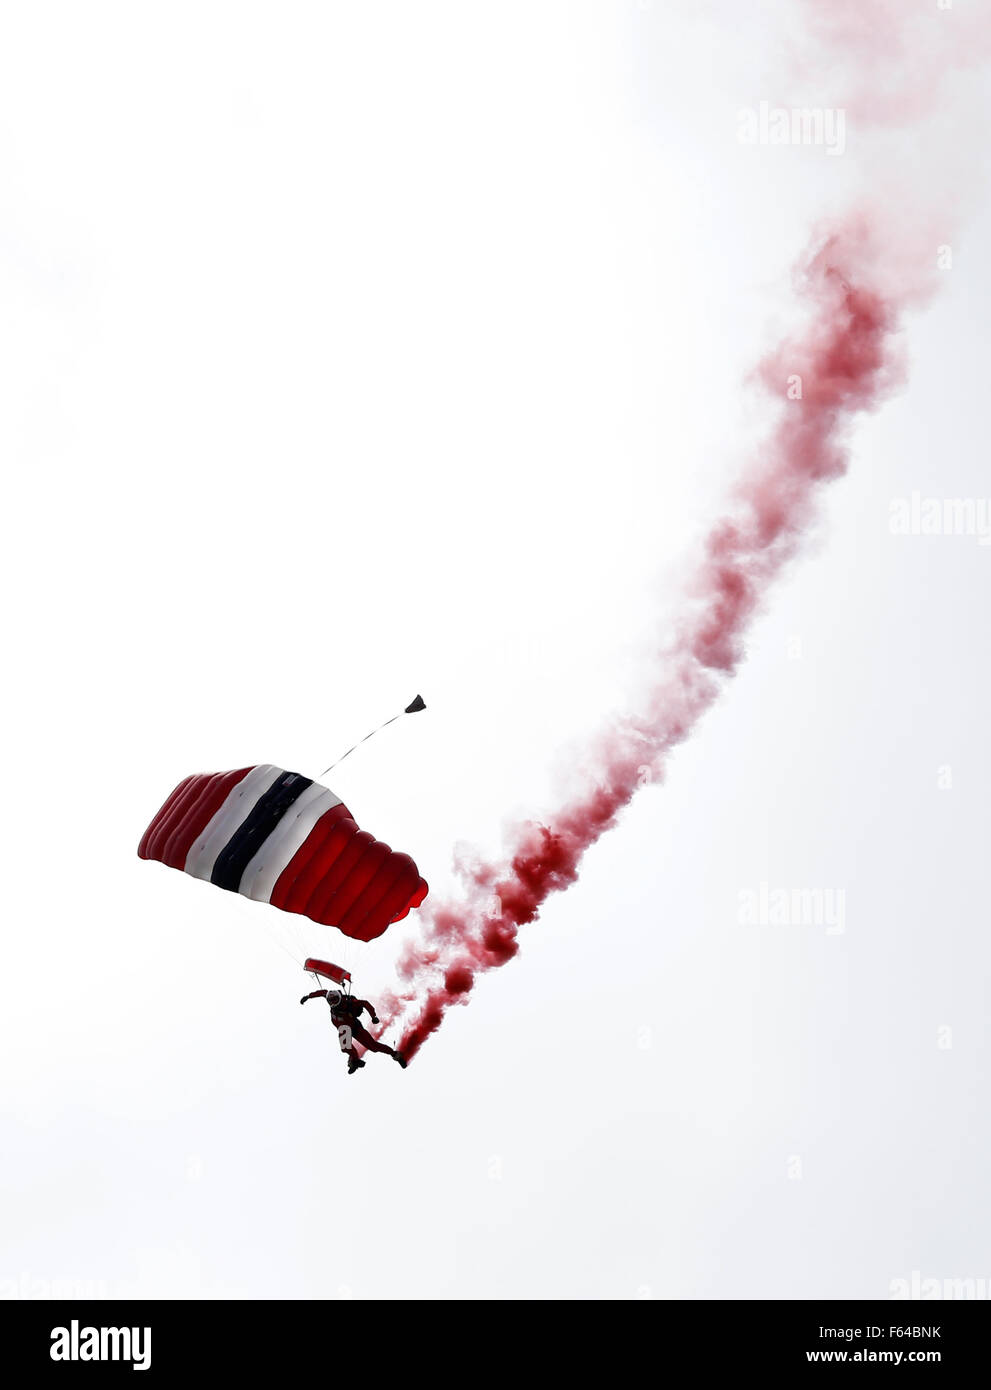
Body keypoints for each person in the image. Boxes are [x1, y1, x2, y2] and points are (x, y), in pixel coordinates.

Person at [300, 987, 406, 1074]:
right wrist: (308, 996)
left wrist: (373, 1017)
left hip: (354, 1027)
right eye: (330, 1001)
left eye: (335, 1001)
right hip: (343, 1028)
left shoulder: (349, 1002)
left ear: (339, 998)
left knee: (373, 1046)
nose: (332, 1003)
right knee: (345, 1047)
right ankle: (354, 1060)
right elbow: (320, 992)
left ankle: (395, 1054)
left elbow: (365, 1003)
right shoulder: (329, 996)